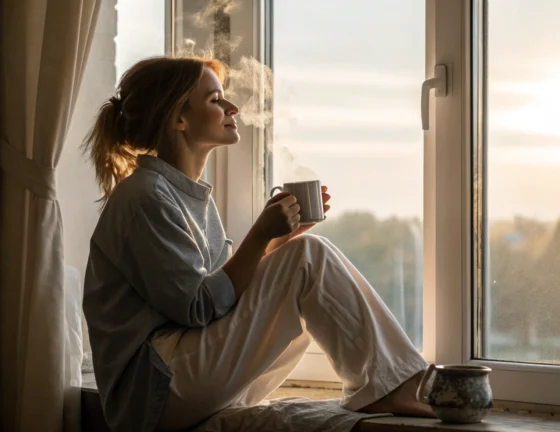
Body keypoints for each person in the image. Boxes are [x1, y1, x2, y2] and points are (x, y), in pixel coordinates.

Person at [81, 56, 433, 432]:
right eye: (215, 100)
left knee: (302, 254)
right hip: (154, 391)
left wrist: (275, 240)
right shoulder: (145, 196)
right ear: (178, 118)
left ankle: (392, 381)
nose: (231, 107)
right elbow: (198, 308)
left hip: (176, 377)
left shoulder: (184, 194)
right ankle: (391, 384)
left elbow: (220, 293)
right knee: (309, 256)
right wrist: (259, 237)